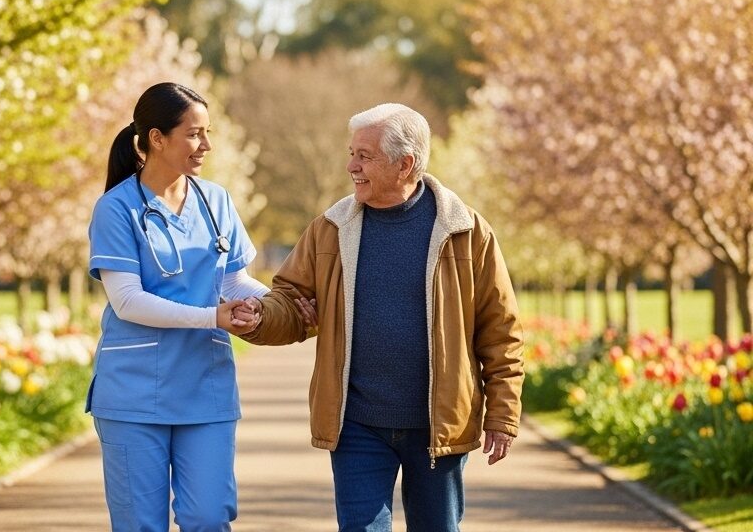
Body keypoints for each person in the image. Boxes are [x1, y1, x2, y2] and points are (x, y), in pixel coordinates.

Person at [234, 102, 524, 532]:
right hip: (356, 423)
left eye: (364, 156)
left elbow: (500, 331)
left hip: (436, 426)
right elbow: (291, 300)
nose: (351, 166)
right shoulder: (330, 228)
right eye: (351, 153)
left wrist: (502, 414)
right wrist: (259, 316)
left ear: (405, 164)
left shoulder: (467, 232)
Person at [86, 82, 311, 532]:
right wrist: (213, 316)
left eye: (207, 133)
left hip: (204, 388)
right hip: (134, 394)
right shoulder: (117, 209)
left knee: (209, 517)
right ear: (156, 138)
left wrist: (274, 305)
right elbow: (127, 301)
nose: (205, 145)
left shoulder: (215, 201)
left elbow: (231, 279)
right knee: (140, 525)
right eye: (194, 134)